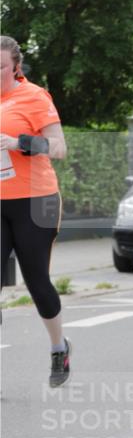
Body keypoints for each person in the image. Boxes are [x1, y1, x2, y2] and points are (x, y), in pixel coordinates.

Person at [0, 36, 71, 386]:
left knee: (36, 280)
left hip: (35, 200)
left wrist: (20, 143)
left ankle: (59, 347)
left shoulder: (34, 97)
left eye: (0, 67)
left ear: (15, 66)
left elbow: (59, 148)